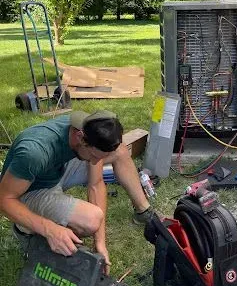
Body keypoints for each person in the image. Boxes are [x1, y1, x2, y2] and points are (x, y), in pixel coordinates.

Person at [0, 110, 154, 274]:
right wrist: (49, 229)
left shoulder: (90, 127)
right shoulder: (34, 153)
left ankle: (144, 211)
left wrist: (100, 242)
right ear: (80, 137)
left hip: (55, 172)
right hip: (30, 190)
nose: (97, 163)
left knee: (120, 150)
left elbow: (95, 183)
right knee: (91, 219)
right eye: (95, 156)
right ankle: (27, 231)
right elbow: (4, 199)